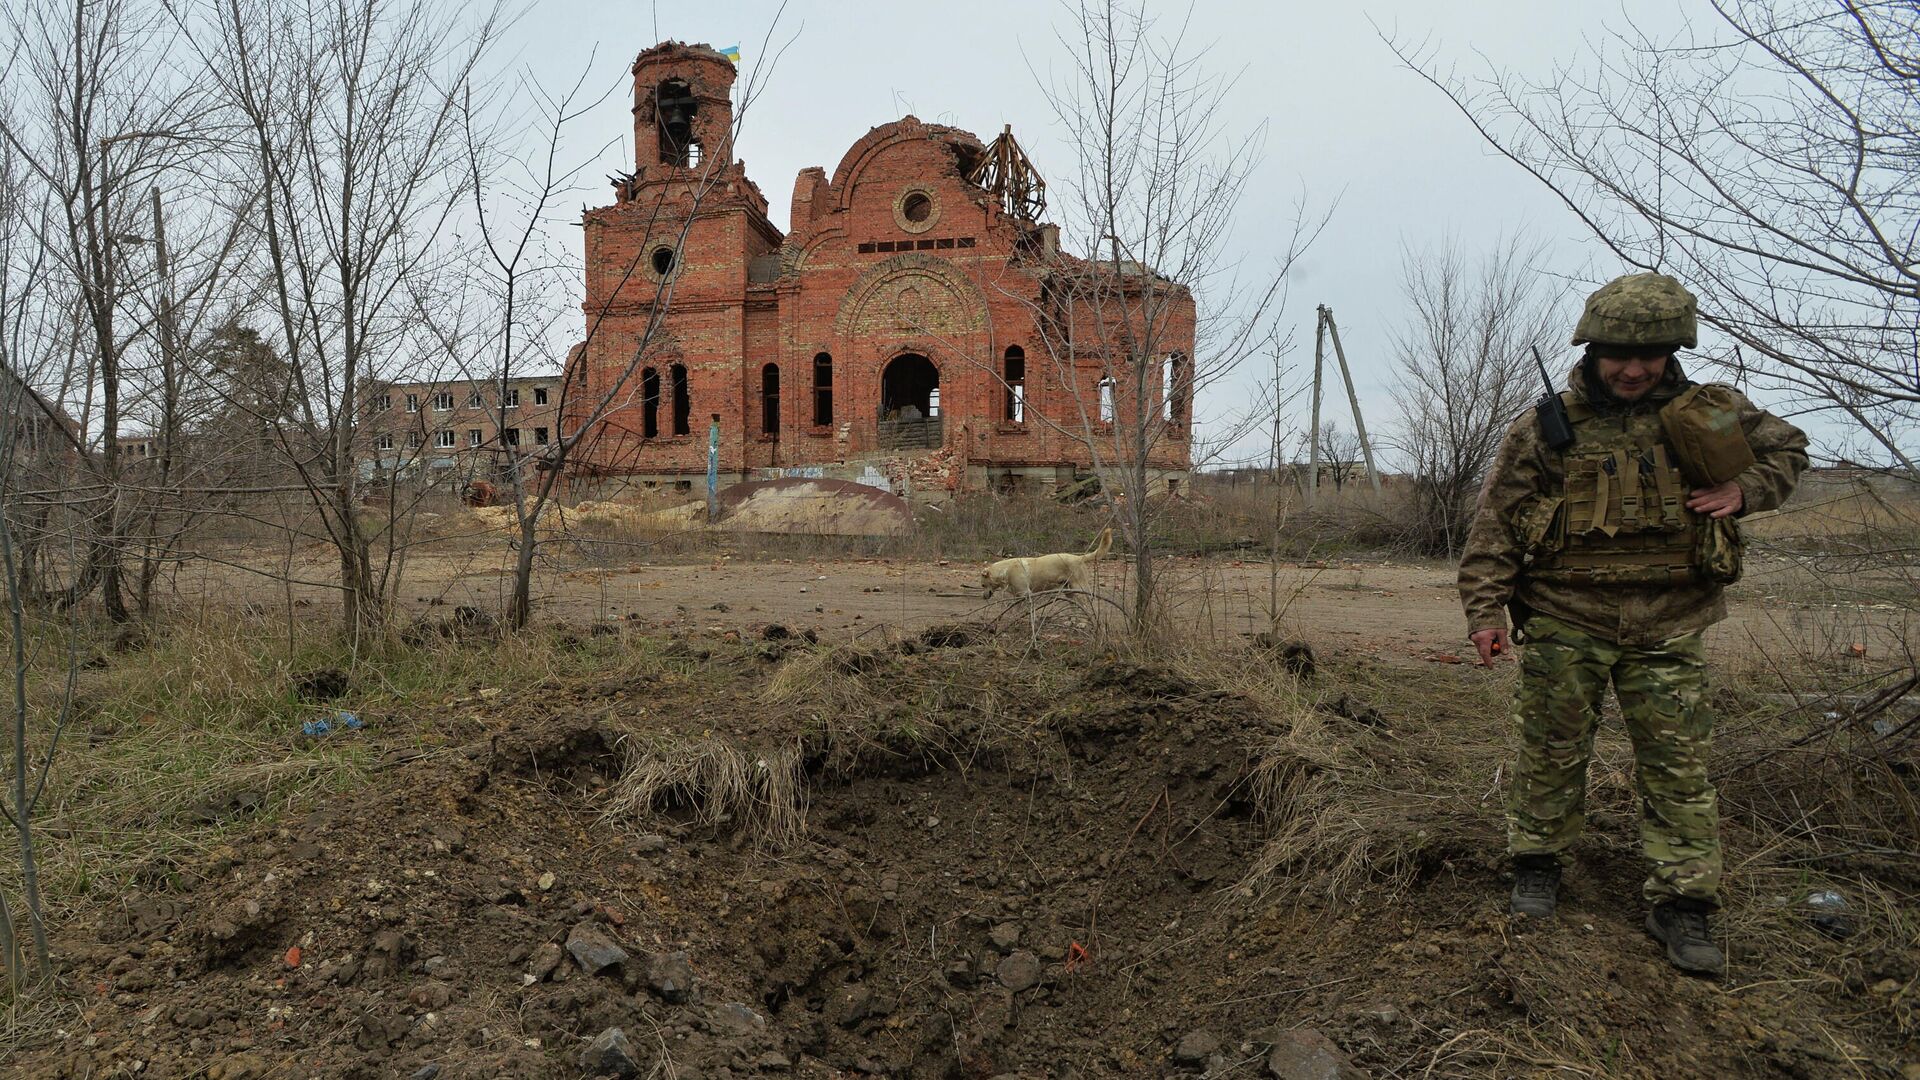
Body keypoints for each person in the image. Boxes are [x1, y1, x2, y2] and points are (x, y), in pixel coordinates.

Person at [1458, 272, 1808, 976]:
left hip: (1671, 623)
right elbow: (1495, 522)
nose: (1634, 368)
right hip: (1566, 616)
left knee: (1679, 771)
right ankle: (1537, 864)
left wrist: (1744, 490)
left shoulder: (1707, 412)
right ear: (1593, 349)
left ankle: (1684, 904)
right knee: (1550, 755)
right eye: (1619, 352)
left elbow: (1789, 450)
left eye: (1651, 354)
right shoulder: (1546, 426)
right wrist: (1484, 610)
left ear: (1674, 351)